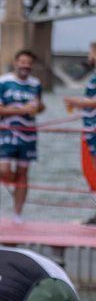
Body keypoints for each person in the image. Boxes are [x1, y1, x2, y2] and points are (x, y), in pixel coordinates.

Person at [0, 49, 45, 225]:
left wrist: (38, 107)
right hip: (7, 133)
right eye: (22, 62)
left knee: (23, 173)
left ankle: (17, 214)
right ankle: (15, 188)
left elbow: (39, 107)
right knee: (4, 171)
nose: (25, 66)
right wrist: (20, 110)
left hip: (28, 134)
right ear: (16, 63)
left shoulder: (35, 84)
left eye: (29, 63)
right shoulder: (2, 82)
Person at [62, 41, 96, 226]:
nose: (88, 57)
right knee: (92, 173)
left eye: (90, 53)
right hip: (90, 130)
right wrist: (80, 104)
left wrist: (76, 101)